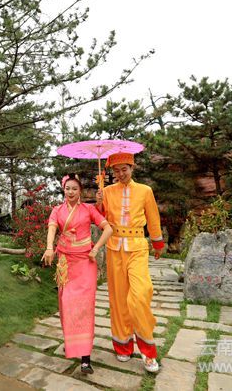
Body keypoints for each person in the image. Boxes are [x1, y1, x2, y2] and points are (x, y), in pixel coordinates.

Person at [95, 152, 165, 373]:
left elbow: (153, 218)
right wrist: (99, 203)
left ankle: (148, 352)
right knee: (118, 301)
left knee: (140, 295)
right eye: (116, 171)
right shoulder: (106, 191)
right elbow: (100, 220)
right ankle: (123, 346)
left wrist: (157, 243)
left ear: (132, 168)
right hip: (114, 249)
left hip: (137, 248)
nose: (120, 174)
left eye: (124, 169)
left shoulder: (145, 191)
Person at [42, 173, 113, 374]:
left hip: (85, 262)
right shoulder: (57, 210)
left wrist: (96, 248)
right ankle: (72, 342)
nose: (71, 192)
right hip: (65, 263)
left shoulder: (89, 209)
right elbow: (52, 229)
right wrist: (49, 248)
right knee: (67, 305)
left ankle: (85, 358)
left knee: (84, 307)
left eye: (74, 188)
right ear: (63, 190)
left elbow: (108, 229)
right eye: (68, 188)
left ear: (80, 190)